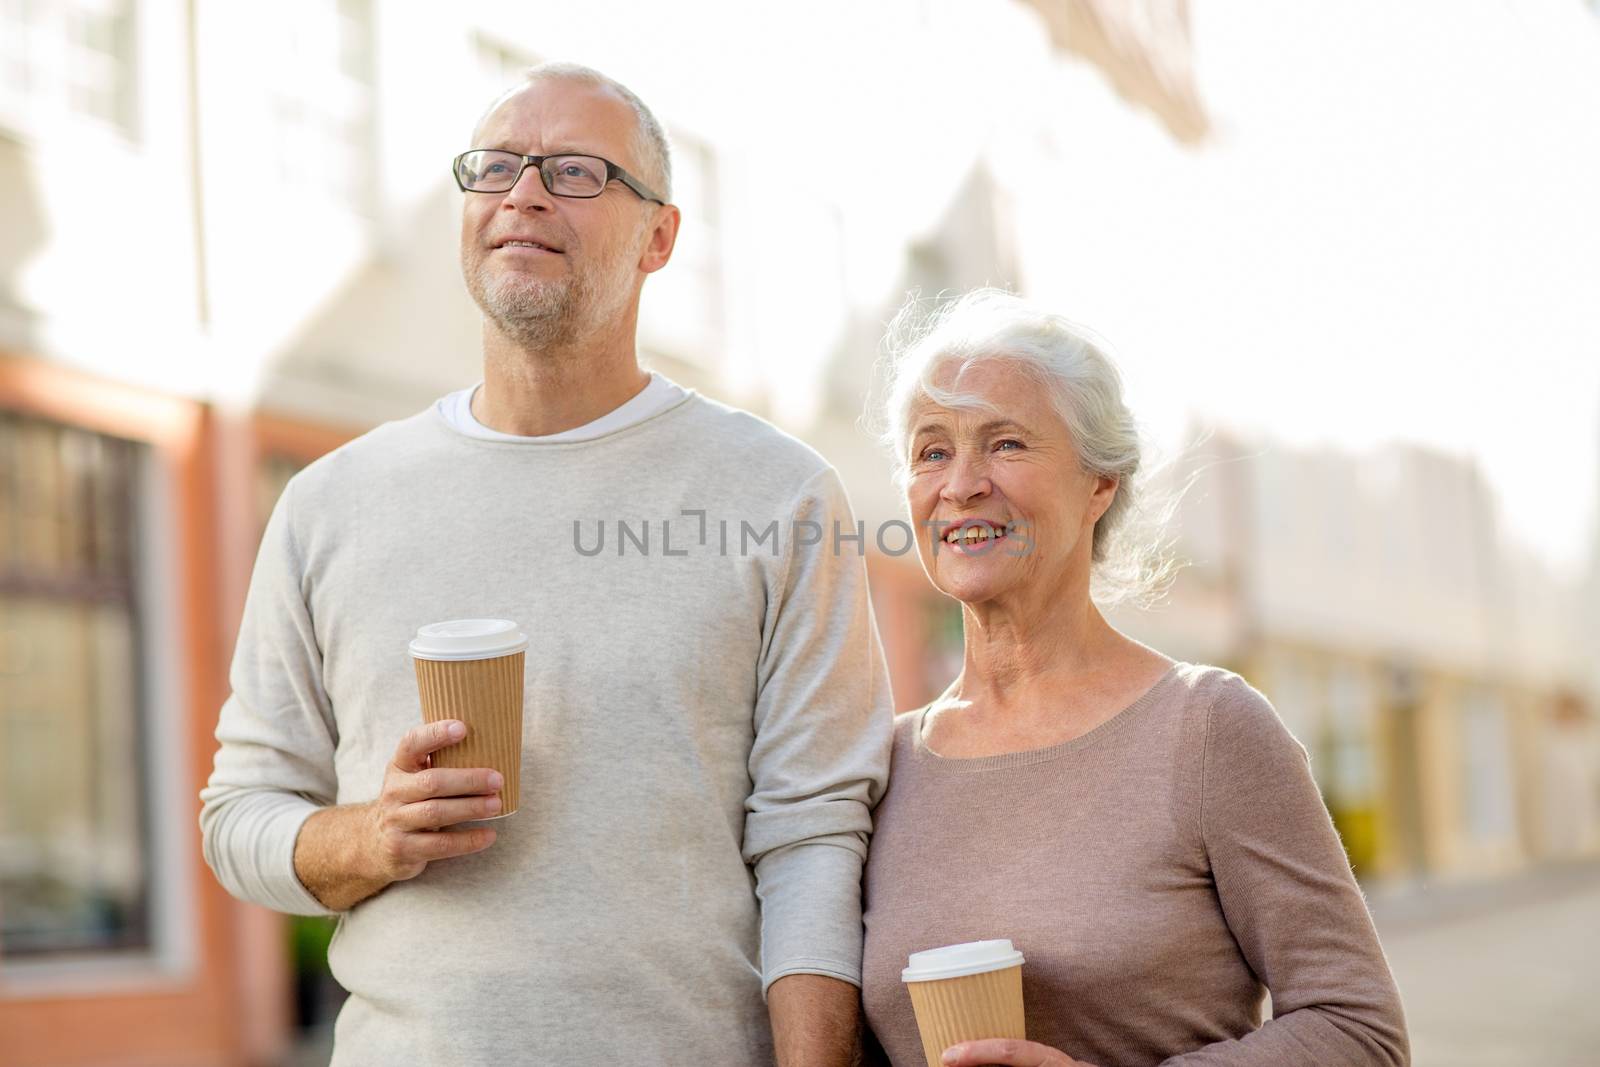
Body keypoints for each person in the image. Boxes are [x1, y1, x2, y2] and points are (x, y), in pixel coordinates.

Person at [199, 62, 891, 1066]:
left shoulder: (777, 492)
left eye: (574, 171)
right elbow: (239, 818)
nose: (523, 192)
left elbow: (813, 840)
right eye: (495, 168)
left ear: (660, 237)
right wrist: (372, 834)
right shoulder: (330, 502)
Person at [859, 290, 1409, 1067]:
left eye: (1007, 443)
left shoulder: (1209, 728)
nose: (962, 483)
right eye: (931, 450)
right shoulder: (882, 770)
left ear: (1099, 483)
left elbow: (1360, 1031)